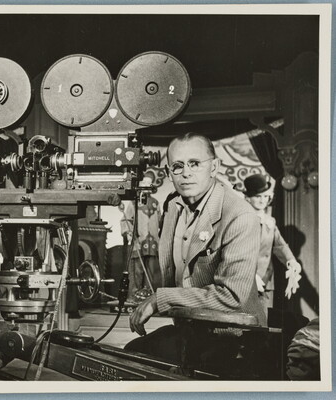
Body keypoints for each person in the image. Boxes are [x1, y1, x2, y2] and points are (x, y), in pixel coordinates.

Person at [126, 133, 265, 367]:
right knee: (131, 355)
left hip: (234, 337)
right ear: (169, 172)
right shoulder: (172, 205)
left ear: (214, 167)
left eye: (195, 163)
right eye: (178, 166)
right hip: (190, 330)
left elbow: (232, 297)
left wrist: (160, 299)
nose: (186, 173)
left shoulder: (240, 215)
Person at [242, 174, 301, 314]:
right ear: (248, 198)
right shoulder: (242, 220)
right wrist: (251, 276)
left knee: (263, 321)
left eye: (265, 196)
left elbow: (279, 245)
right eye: (257, 196)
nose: (262, 200)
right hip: (246, 279)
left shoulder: (270, 221)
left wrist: (291, 261)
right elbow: (239, 252)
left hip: (267, 281)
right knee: (247, 320)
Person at [119, 172, 161, 303]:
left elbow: (160, 221)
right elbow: (126, 220)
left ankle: (149, 297)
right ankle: (134, 296)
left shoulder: (155, 203)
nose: (146, 185)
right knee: (137, 271)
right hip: (138, 241)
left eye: (149, 183)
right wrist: (128, 232)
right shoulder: (134, 203)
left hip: (153, 242)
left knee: (151, 271)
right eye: (144, 182)